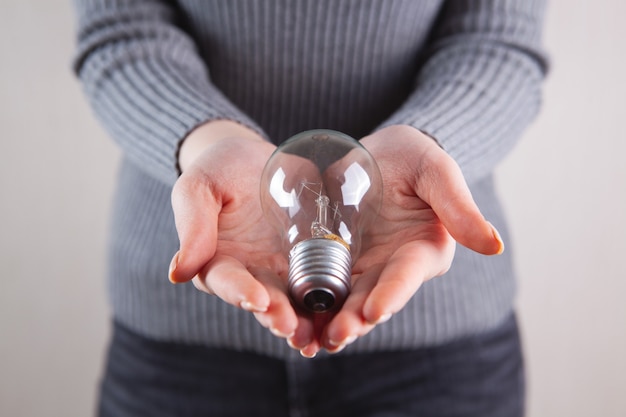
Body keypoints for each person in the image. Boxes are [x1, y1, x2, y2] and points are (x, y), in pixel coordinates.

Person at [73, 0, 547, 416]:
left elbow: (497, 41)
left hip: (440, 355)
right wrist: (208, 144)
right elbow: (122, 30)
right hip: (180, 351)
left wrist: (429, 143)